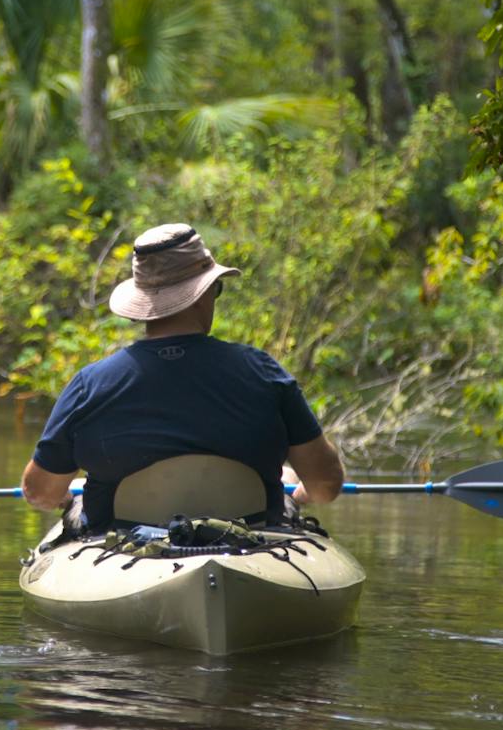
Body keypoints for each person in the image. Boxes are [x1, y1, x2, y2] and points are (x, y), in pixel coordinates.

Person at [20, 222, 346, 531]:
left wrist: (67, 497)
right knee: (284, 484)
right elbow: (326, 485)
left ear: (143, 304)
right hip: (252, 539)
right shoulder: (265, 372)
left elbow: (39, 492)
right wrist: (297, 495)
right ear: (205, 293)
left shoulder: (89, 384)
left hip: (120, 543)